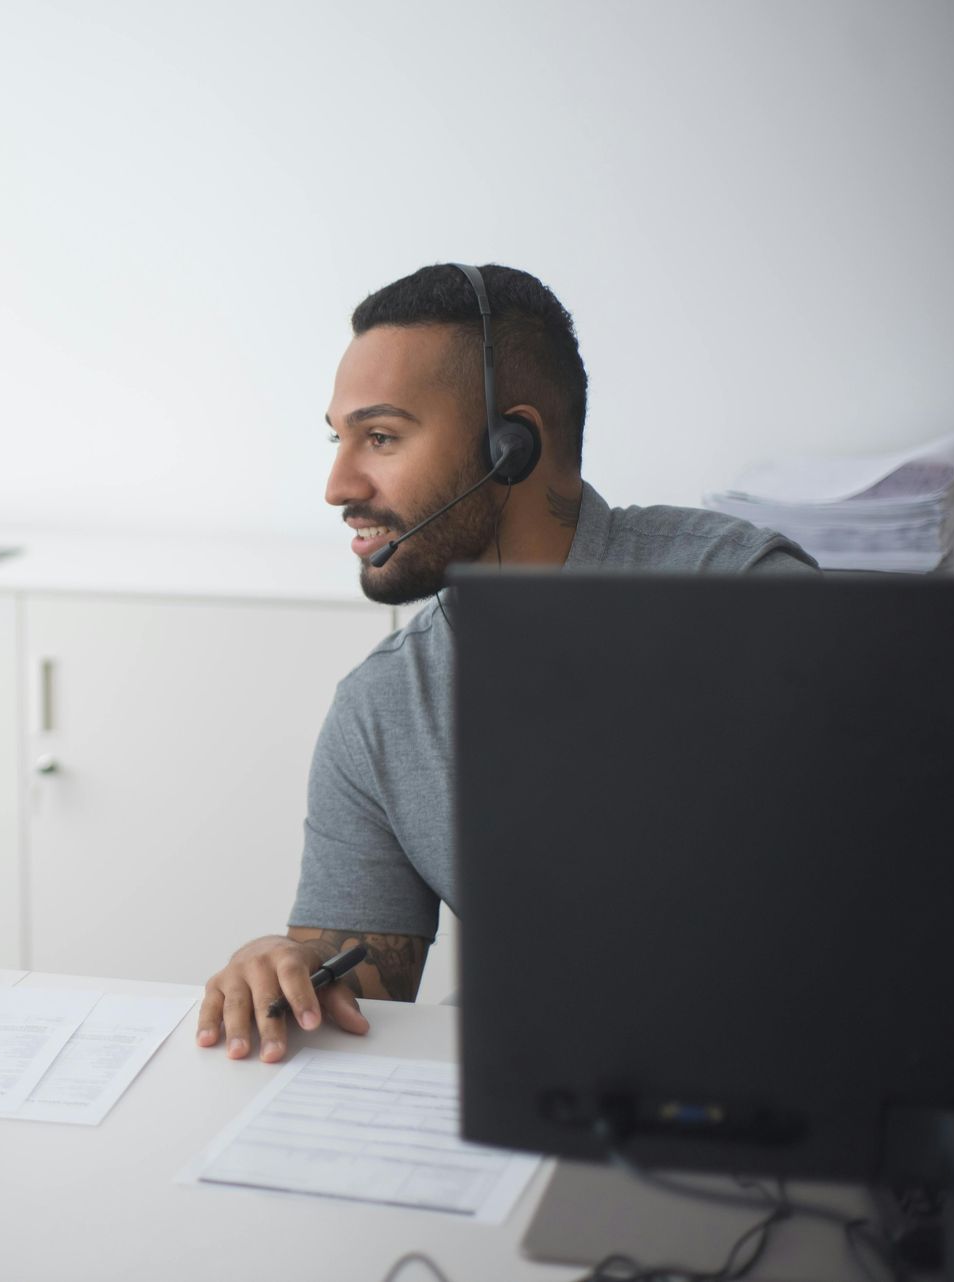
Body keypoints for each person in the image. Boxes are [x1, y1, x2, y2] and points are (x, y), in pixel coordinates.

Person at [197, 263, 815, 1059]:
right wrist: (287, 973)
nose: (337, 484)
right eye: (338, 437)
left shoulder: (746, 602)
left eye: (380, 437)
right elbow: (367, 987)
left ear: (511, 446)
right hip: (535, 1094)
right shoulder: (385, 706)